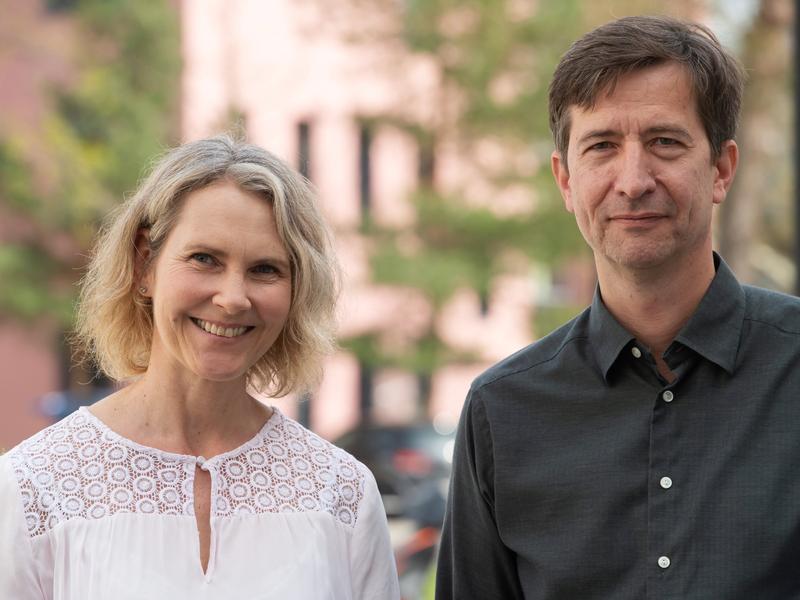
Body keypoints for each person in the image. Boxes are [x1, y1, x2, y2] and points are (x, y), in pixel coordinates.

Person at [437, 15, 800, 599]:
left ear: (722, 168)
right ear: (565, 179)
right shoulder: (500, 412)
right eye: (602, 146)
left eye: (664, 142)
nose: (632, 181)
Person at [0, 135, 400, 599]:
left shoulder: (340, 494)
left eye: (266, 269)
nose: (233, 298)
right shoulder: (34, 486)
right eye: (205, 259)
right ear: (144, 264)